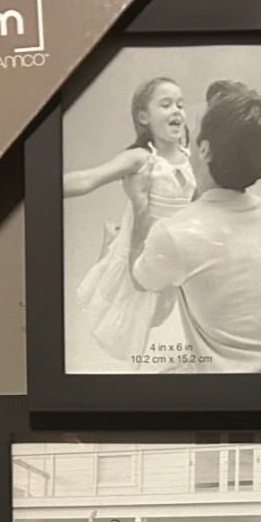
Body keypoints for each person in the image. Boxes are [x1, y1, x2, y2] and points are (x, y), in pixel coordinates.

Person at [133, 85, 261, 373]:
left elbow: (142, 280)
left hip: (221, 386)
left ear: (205, 149)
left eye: (195, 128)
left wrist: (139, 206)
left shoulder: (173, 233)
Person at [65, 76, 193, 364]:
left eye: (180, 104)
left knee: (159, 316)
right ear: (144, 117)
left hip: (172, 251)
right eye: (166, 104)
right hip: (142, 247)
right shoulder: (141, 158)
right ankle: (111, 243)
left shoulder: (189, 158)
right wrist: (37, 186)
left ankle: (112, 237)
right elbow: (87, 179)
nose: (176, 110)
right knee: (123, 314)